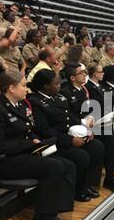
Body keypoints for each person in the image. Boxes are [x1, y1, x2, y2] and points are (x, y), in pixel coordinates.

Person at [0, 72, 76, 220]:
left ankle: (56, 209)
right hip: (6, 161)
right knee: (54, 166)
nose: (27, 89)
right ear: (11, 88)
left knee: (67, 164)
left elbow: (28, 130)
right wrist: (28, 144)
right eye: (24, 85)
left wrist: (36, 141)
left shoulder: (21, 105)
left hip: (24, 154)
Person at [28, 69, 105, 200]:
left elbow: (70, 116)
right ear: (46, 86)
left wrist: (86, 129)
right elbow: (44, 130)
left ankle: (90, 184)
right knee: (81, 156)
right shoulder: (35, 102)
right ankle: (77, 190)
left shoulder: (59, 97)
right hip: (55, 141)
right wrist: (70, 140)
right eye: (56, 83)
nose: (59, 86)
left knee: (97, 147)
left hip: (71, 134)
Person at [60, 63, 114, 192]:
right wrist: (84, 122)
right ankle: (99, 180)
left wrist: (93, 117)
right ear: (73, 78)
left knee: (111, 135)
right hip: (76, 128)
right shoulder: (66, 91)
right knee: (108, 138)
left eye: (85, 72)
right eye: (82, 73)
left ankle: (108, 177)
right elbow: (68, 114)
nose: (85, 74)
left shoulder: (83, 89)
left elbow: (91, 108)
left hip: (90, 124)